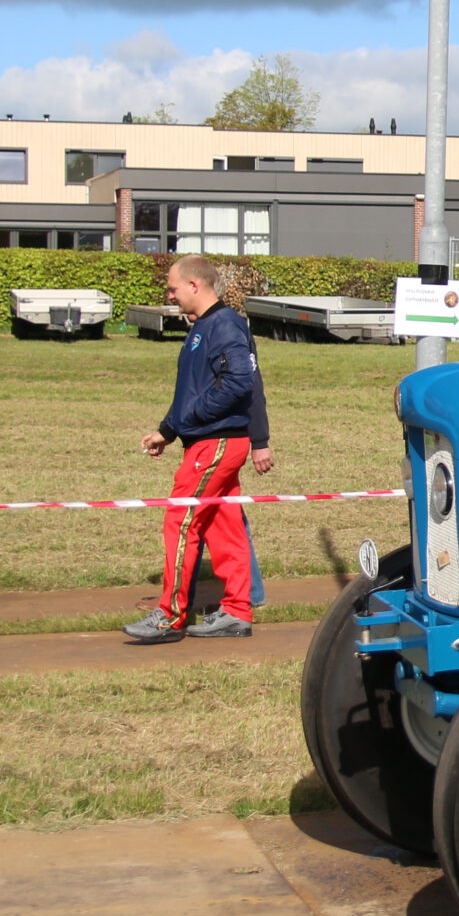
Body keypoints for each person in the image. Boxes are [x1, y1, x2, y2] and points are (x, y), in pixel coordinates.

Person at [124, 257, 277, 642]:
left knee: (180, 520)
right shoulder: (204, 327)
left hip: (216, 442)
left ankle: (169, 616)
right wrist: (167, 430)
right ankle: (236, 611)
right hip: (211, 440)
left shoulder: (224, 324)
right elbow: (193, 391)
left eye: (173, 288)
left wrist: (191, 419)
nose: (169, 295)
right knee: (224, 525)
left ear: (195, 285)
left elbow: (241, 382)